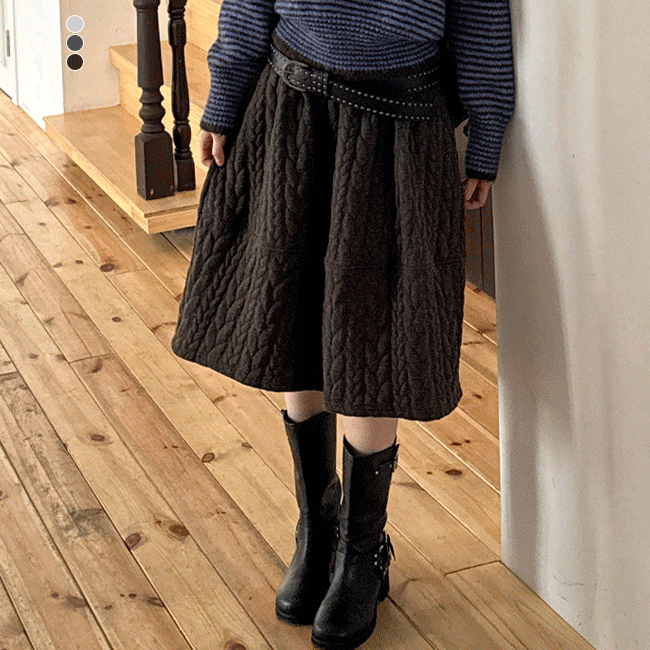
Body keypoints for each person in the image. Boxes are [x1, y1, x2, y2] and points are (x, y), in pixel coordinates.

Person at [171, 1, 515, 648]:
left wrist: (487, 131)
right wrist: (225, 96)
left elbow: (481, 21)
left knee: (371, 331)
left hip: (399, 129)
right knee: (293, 313)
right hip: (291, 109)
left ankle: (362, 553)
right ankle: (317, 529)